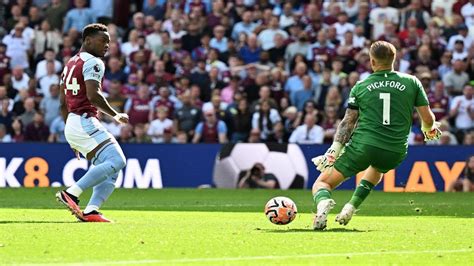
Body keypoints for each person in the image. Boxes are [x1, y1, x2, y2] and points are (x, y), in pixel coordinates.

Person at [310, 41, 442, 230]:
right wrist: (428, 130)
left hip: (363, 146)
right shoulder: (412, 82)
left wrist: (334, 150)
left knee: (323, 183)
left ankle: (324, 204)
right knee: (377, 169)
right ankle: (351, 207)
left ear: (372, 61)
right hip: (395, 150)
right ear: (394, 59)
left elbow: (348, 122)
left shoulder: (361, 86)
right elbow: (428, 118)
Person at [56, 24, 128, 223]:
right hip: (84, 120)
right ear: (87, 40)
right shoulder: (93, 62)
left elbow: (62, 102)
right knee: (117, 160)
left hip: (73, 122)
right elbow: (93, 95)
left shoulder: (70, 63)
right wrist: (115, 115)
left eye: (109, 42)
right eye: (102, 41)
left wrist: (70, 133)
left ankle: (92, 210)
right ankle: (71, 193)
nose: (107, 45)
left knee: (110, 168)